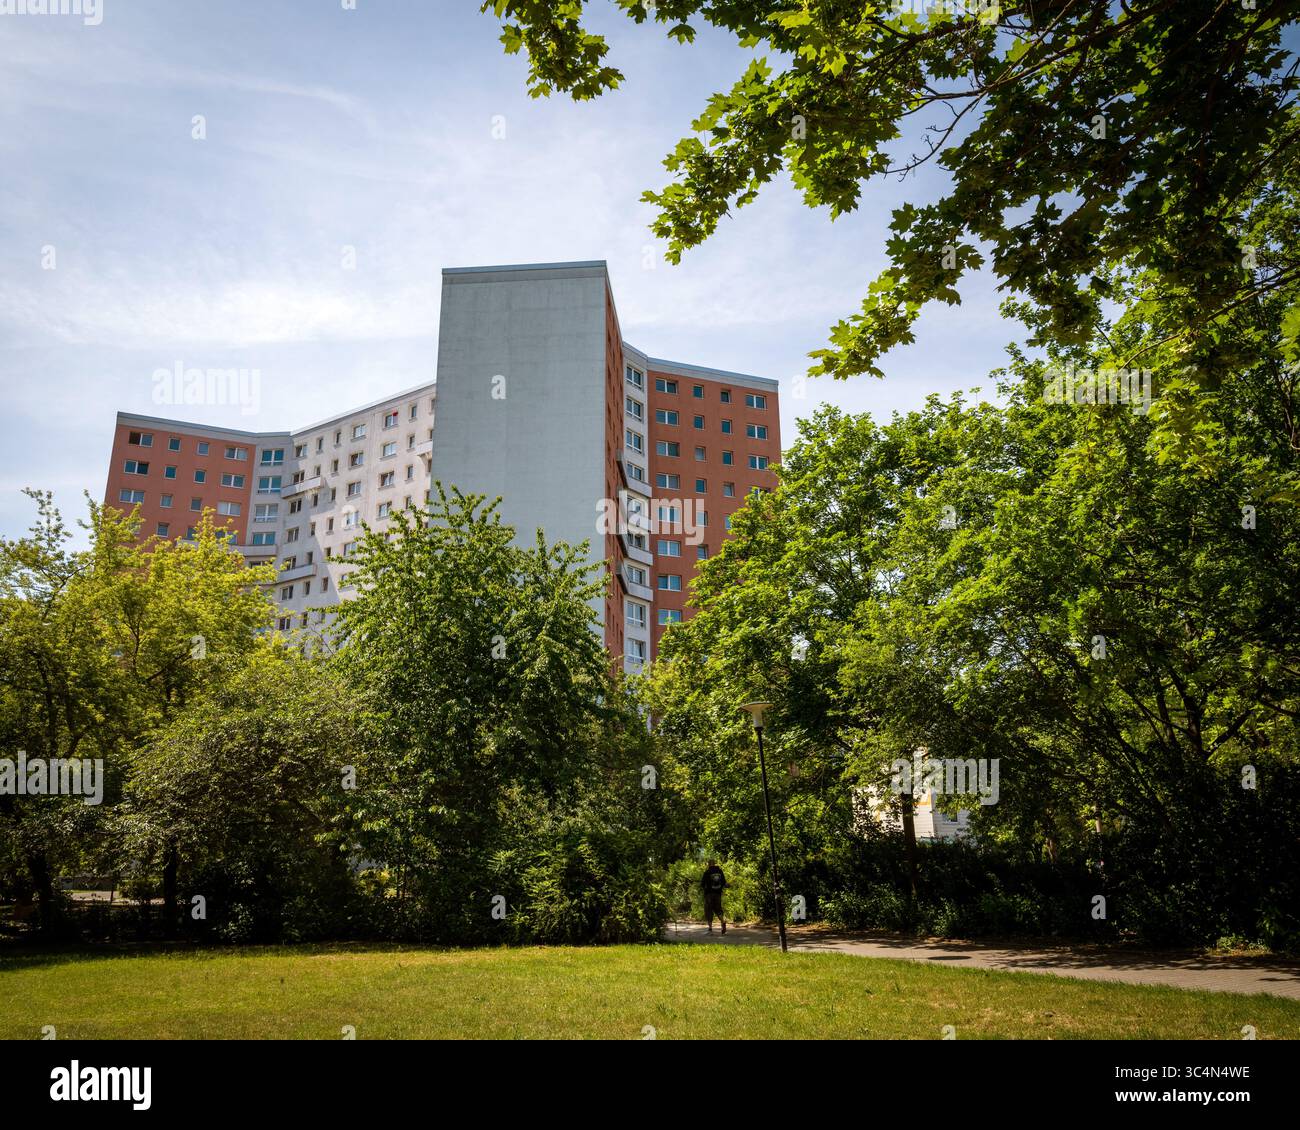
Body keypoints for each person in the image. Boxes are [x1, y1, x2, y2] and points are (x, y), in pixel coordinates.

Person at [701, 859, 727, 934]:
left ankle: (710, 929)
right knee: (718, 909)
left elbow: (702, 884)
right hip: (718, 894)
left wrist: (704, 887)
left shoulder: (707, 872)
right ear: (715, 864)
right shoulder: (720, 871)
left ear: (709, 864)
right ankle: (723, 921)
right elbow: (724, 882)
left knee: (709, 910)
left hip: (709, 894)